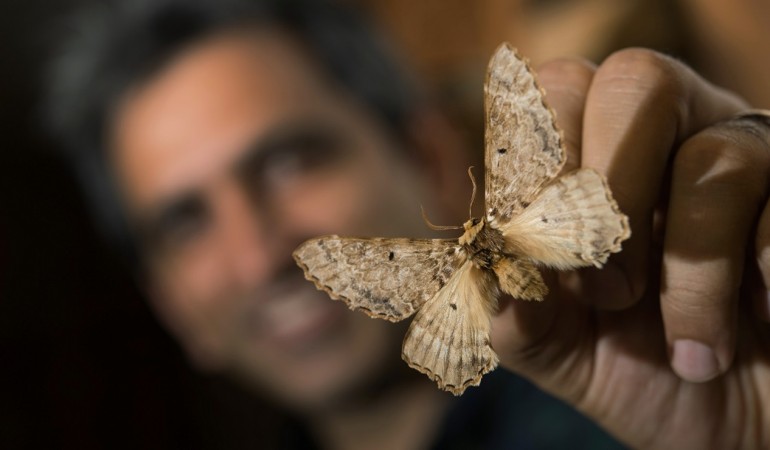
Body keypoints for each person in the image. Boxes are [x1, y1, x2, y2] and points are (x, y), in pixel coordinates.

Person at [46, 0, 770, 448]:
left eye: (290, 162)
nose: (259, 253)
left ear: (429, 160)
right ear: (171, 305)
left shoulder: (653, 391)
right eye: (185, 222)